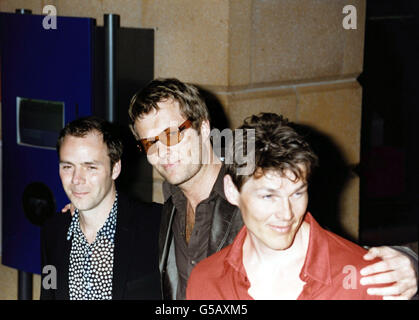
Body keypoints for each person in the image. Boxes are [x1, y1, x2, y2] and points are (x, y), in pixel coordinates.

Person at [128, 78, 418, 300]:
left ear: (204, 129)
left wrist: (409, 261)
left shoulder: (256, 186)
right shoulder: (169, 205)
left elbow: (321, 252)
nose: (163, 152)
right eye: (149, 143)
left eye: (172, 135)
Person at [187, 113, 404, 299]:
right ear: (232, 191)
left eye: (297, 193)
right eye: (268, 196)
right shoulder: (206, 282)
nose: (286, 213)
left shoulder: (366, 277)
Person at [40, 116, 162, 300]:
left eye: (90, 167)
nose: (76, 180)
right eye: (67, 166)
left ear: (115, 169)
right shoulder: (53, 231)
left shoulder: (157, 224)